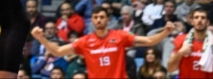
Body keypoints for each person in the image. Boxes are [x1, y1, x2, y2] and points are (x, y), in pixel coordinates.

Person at [30, 6, 176, 79]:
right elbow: (58, 52)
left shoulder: (120, 36)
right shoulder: (85, 41)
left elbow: (149, 40)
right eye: (95, 17)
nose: (99, 20)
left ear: (107, 19)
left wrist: (166, 32)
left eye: (102, 17)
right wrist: (41, 38)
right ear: (92, 20)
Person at [167, 9, 213, 79]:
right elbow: (170, 69)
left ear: (208, 22)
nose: (199, 20)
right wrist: (180, 52)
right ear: (192, 22)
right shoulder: (180, 39)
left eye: (203, 18)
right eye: (196, 17)